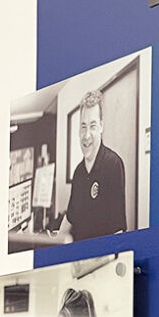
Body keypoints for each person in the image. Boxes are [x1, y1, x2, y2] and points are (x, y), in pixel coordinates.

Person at [53, 88, 127, 242]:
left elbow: (118, 230)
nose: (86, 135)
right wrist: (55, 244)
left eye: (92, 126)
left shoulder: (113, 165)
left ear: (101, 127)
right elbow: (70, 218)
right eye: (83, 126)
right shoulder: (78, 172)